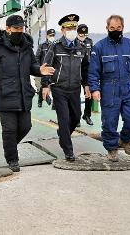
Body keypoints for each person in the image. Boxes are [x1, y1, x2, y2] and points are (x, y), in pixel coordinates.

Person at [0, 15, 55, 172]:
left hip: (23, 94)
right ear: (8, 29)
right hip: (6, 94)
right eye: (16, 29)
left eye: (21, 28)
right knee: (9, 129)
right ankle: (12, 158)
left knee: (26, 127)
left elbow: (32, 65)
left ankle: (9, 145)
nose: (19, 31)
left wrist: (39, 70)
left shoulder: (26, 46)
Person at [88, 14, 130, 162]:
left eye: (118, 28)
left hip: (128, 87)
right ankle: (112, 149)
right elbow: (93, 71)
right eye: (112, 28)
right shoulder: (99, 47)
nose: (115, 30)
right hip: (109, 88)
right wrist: (95, 89)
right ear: (107, 28)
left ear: (123, 28)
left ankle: (125, 140)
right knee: (109, 122)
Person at [42, 14, 90, 161]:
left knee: (75, 117)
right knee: (63, 118)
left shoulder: (81, 48)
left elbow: (86, 68)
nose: (72, 30)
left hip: (75, 88)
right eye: (68, 28)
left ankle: (63, 136)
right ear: (62, 30)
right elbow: (46, 66)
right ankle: (68, 150)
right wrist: (45, 86)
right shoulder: (55, 46)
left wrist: (86, 86)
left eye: (74, 27)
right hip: (59, 88)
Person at [77, 24, 94, 126]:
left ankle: (87, 115)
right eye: (81, 34)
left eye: (85, 34)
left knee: (89, 94)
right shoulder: (73, 42)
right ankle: (77, 117)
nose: (83, 36)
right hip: (75, 71)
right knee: (75, 95)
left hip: (87, 71)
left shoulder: (89, 42)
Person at [34, 29, 55, 108]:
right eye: (50, 36)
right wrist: (39, 69)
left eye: (53, 35)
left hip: (53, 70)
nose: (52, 37)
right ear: (47, 36)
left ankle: (54, 105)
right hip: (44, 69)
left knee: (54, 87)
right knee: (43, 86)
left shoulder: (56, 45)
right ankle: (40, 101)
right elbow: (37, 57)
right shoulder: (42, 45)